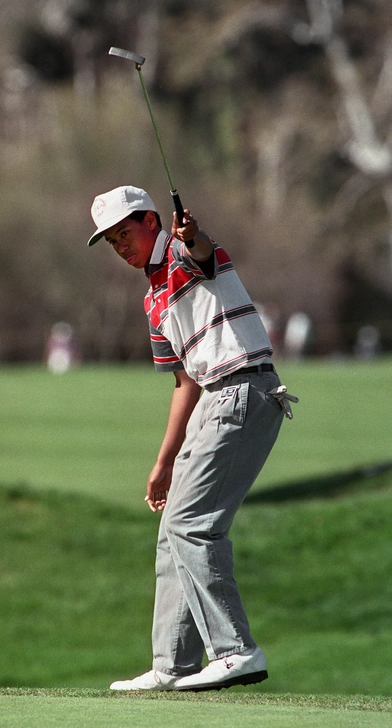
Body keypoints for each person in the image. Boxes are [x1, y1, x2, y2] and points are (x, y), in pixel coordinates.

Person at [88, 185, 297, 692]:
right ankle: (172, 664)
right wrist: (163, 463)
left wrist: (193, 233)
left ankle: (235, 651)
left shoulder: (185, 250)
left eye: (126, 232)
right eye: (112, 241)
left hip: (244, 389)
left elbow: (202, 251)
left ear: (151, 222)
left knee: (192, 525)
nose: (122, 246)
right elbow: (184, 383)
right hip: (212, 397)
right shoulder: (153, 298)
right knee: (170, 535)